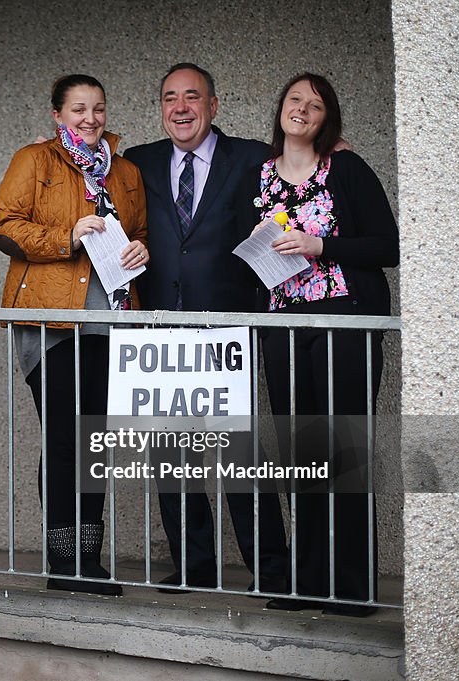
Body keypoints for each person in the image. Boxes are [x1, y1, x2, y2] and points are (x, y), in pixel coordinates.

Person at [236, 73, 398, 616]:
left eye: (316, 104)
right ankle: (308, 578)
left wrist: (319, 244)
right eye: (294, 99)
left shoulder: (346, 168)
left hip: (344, 321)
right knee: (300, 454)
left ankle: (350, 587)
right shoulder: (258, 176)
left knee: (342, 451)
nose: (302, 109)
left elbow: (389, 244)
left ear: (328, 119)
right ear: (280, 108)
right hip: (282, 326)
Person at [123, 64, 289, 594]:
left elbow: (304, 178)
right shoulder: (138, 162)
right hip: (159, 324)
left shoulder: (253, 157)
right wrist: (48, 150)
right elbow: (89, 180)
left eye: (192, 96)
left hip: (227, 323)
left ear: (213, 105)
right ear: (161, 108)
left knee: (240, 450)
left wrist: (337, 156)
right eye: (170, 97)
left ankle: (271, 568)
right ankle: (195, 566)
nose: (181, 106)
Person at [0, 74, 149, 596]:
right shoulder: (34, 160)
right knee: (65, 439)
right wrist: (67, 236)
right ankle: (65, 565)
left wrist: (140, 251)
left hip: (112, 322)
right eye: (78, 109)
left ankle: (88, 558)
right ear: (57, 115)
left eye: (98, 108)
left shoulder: (125, 172)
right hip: (53, 323)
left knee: (93, 443)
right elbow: (5, 225)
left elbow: (140, 233)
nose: (90, 118)